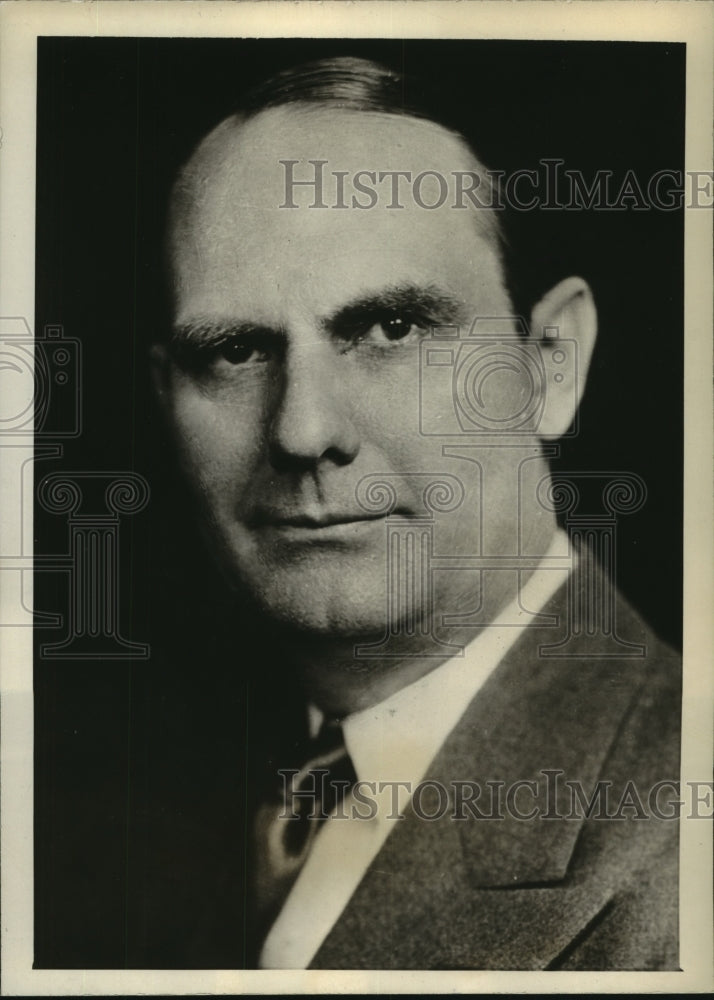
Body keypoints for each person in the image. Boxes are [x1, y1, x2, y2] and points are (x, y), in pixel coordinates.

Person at [146, 57, 680, 970]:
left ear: (550, 363)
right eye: (235, 351)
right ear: (166, 398)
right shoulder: (146, 811)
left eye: (390, 330)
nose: (304, 430)